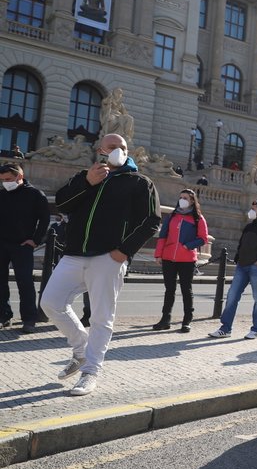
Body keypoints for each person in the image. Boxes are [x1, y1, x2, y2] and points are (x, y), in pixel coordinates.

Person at [40, 134, 161, 396]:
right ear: (100, 151)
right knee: (50, 302)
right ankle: (82, 348)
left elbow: (152, 221)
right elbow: (62, 202)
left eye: (123, 148)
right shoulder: (85, 176)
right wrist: (87, 182)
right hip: (74, 254)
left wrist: (123, 251)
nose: (118, 151)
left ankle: (90, 371)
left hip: (108, 257)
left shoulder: (140, 182)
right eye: (112, 147)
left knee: (101, 317)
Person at [209, 200, 257, 339]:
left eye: (253, 208)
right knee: (232, 296)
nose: (251, 211)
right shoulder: (249, 227)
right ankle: (225, 328)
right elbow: (241, 244)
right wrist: (238, 258)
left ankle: (256, 329)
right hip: (242, 266)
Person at [0, 164, 49, 333]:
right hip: (2, 244)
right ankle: (4, 316)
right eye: (2, 180)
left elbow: (44, 219)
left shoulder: (35, 194)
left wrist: (35, 240)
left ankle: (29, 319)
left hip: (22, 245)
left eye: (8, 179)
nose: (5, 183)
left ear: (19, 176)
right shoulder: (2, 194)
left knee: (25, 283)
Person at [153, 189, 209, 333]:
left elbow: (203, 238)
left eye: (185, 198)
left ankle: (186, 320)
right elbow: (163, 236)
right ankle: (165, 320)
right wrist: (158, 254)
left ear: (192, 201)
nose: (182, 200)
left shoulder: (198, 218)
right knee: (169, 290)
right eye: (180, 197)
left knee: (186, 290)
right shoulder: (172, 216)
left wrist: (187, 246)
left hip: (187, 259)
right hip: (168, 258)